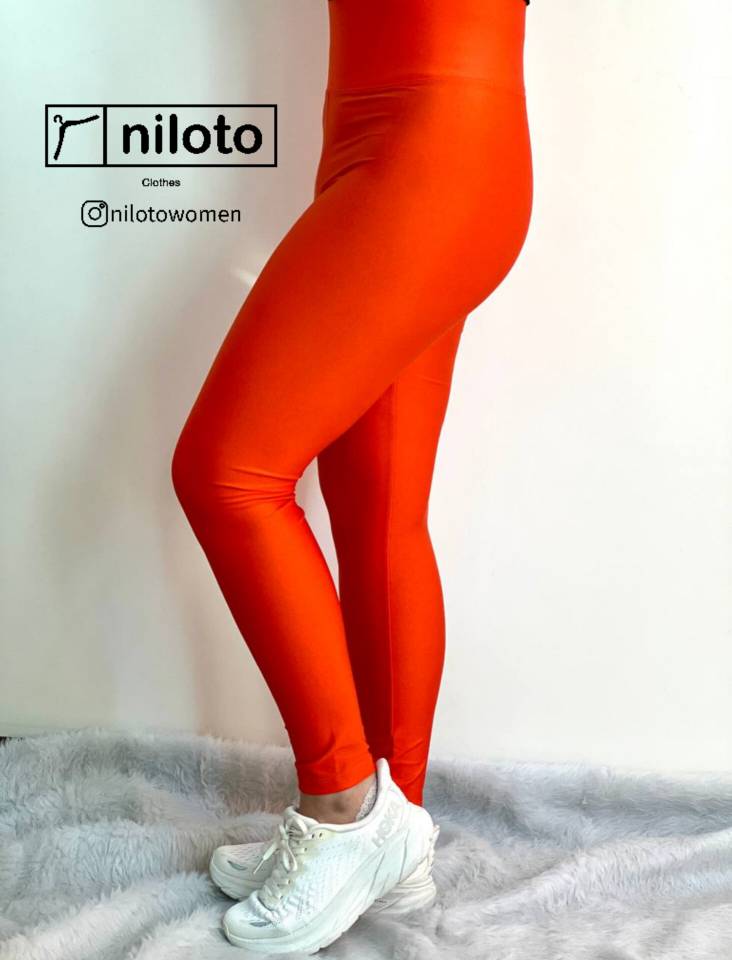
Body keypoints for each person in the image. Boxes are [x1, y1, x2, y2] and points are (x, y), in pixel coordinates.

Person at [171, 0, 532, 952]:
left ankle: (341, 808)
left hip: (437, 144)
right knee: (377, 509)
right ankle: (394, 837)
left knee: (227, 475)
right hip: (379, 146)